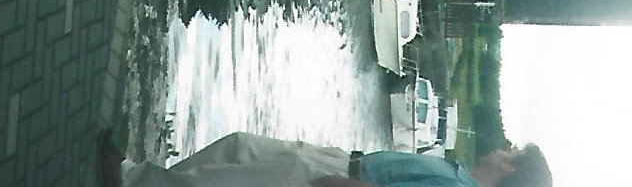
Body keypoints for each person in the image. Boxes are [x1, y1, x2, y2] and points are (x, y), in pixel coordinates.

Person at [98, 129, 552, 187]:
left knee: (219, 184)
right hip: (341, 161)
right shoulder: (456, 175)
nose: (501, 148)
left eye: (511, 151)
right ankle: (145, 182)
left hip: (335, 179)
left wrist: (335, 186)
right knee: (237, 148)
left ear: (511, 168)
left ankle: (130, 179)